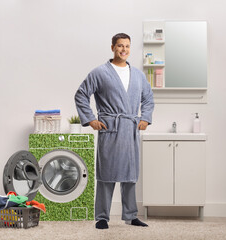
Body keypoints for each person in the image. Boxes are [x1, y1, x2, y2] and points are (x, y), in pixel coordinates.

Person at [74, 33, 154, 229]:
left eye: (127, 46)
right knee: (106, 175)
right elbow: (81, 94)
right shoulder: (100, 72)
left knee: (130, 174)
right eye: (120, 46)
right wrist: (91, 120)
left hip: (130, 128)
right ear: (112, 48)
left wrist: (145, 118)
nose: (123, 50)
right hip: (111, 128)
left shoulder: (138, 75)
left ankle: (131, 215)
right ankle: (102, 217)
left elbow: (148, 98)